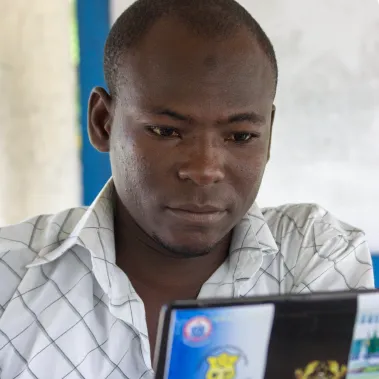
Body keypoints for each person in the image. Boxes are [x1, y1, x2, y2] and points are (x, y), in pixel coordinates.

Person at [0, 0, 374, 377]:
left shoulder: (314, 255)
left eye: (241, 135)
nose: (205, 169)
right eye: (166, 131)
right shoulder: (10, 276)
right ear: (103, 122)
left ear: (269, 134)